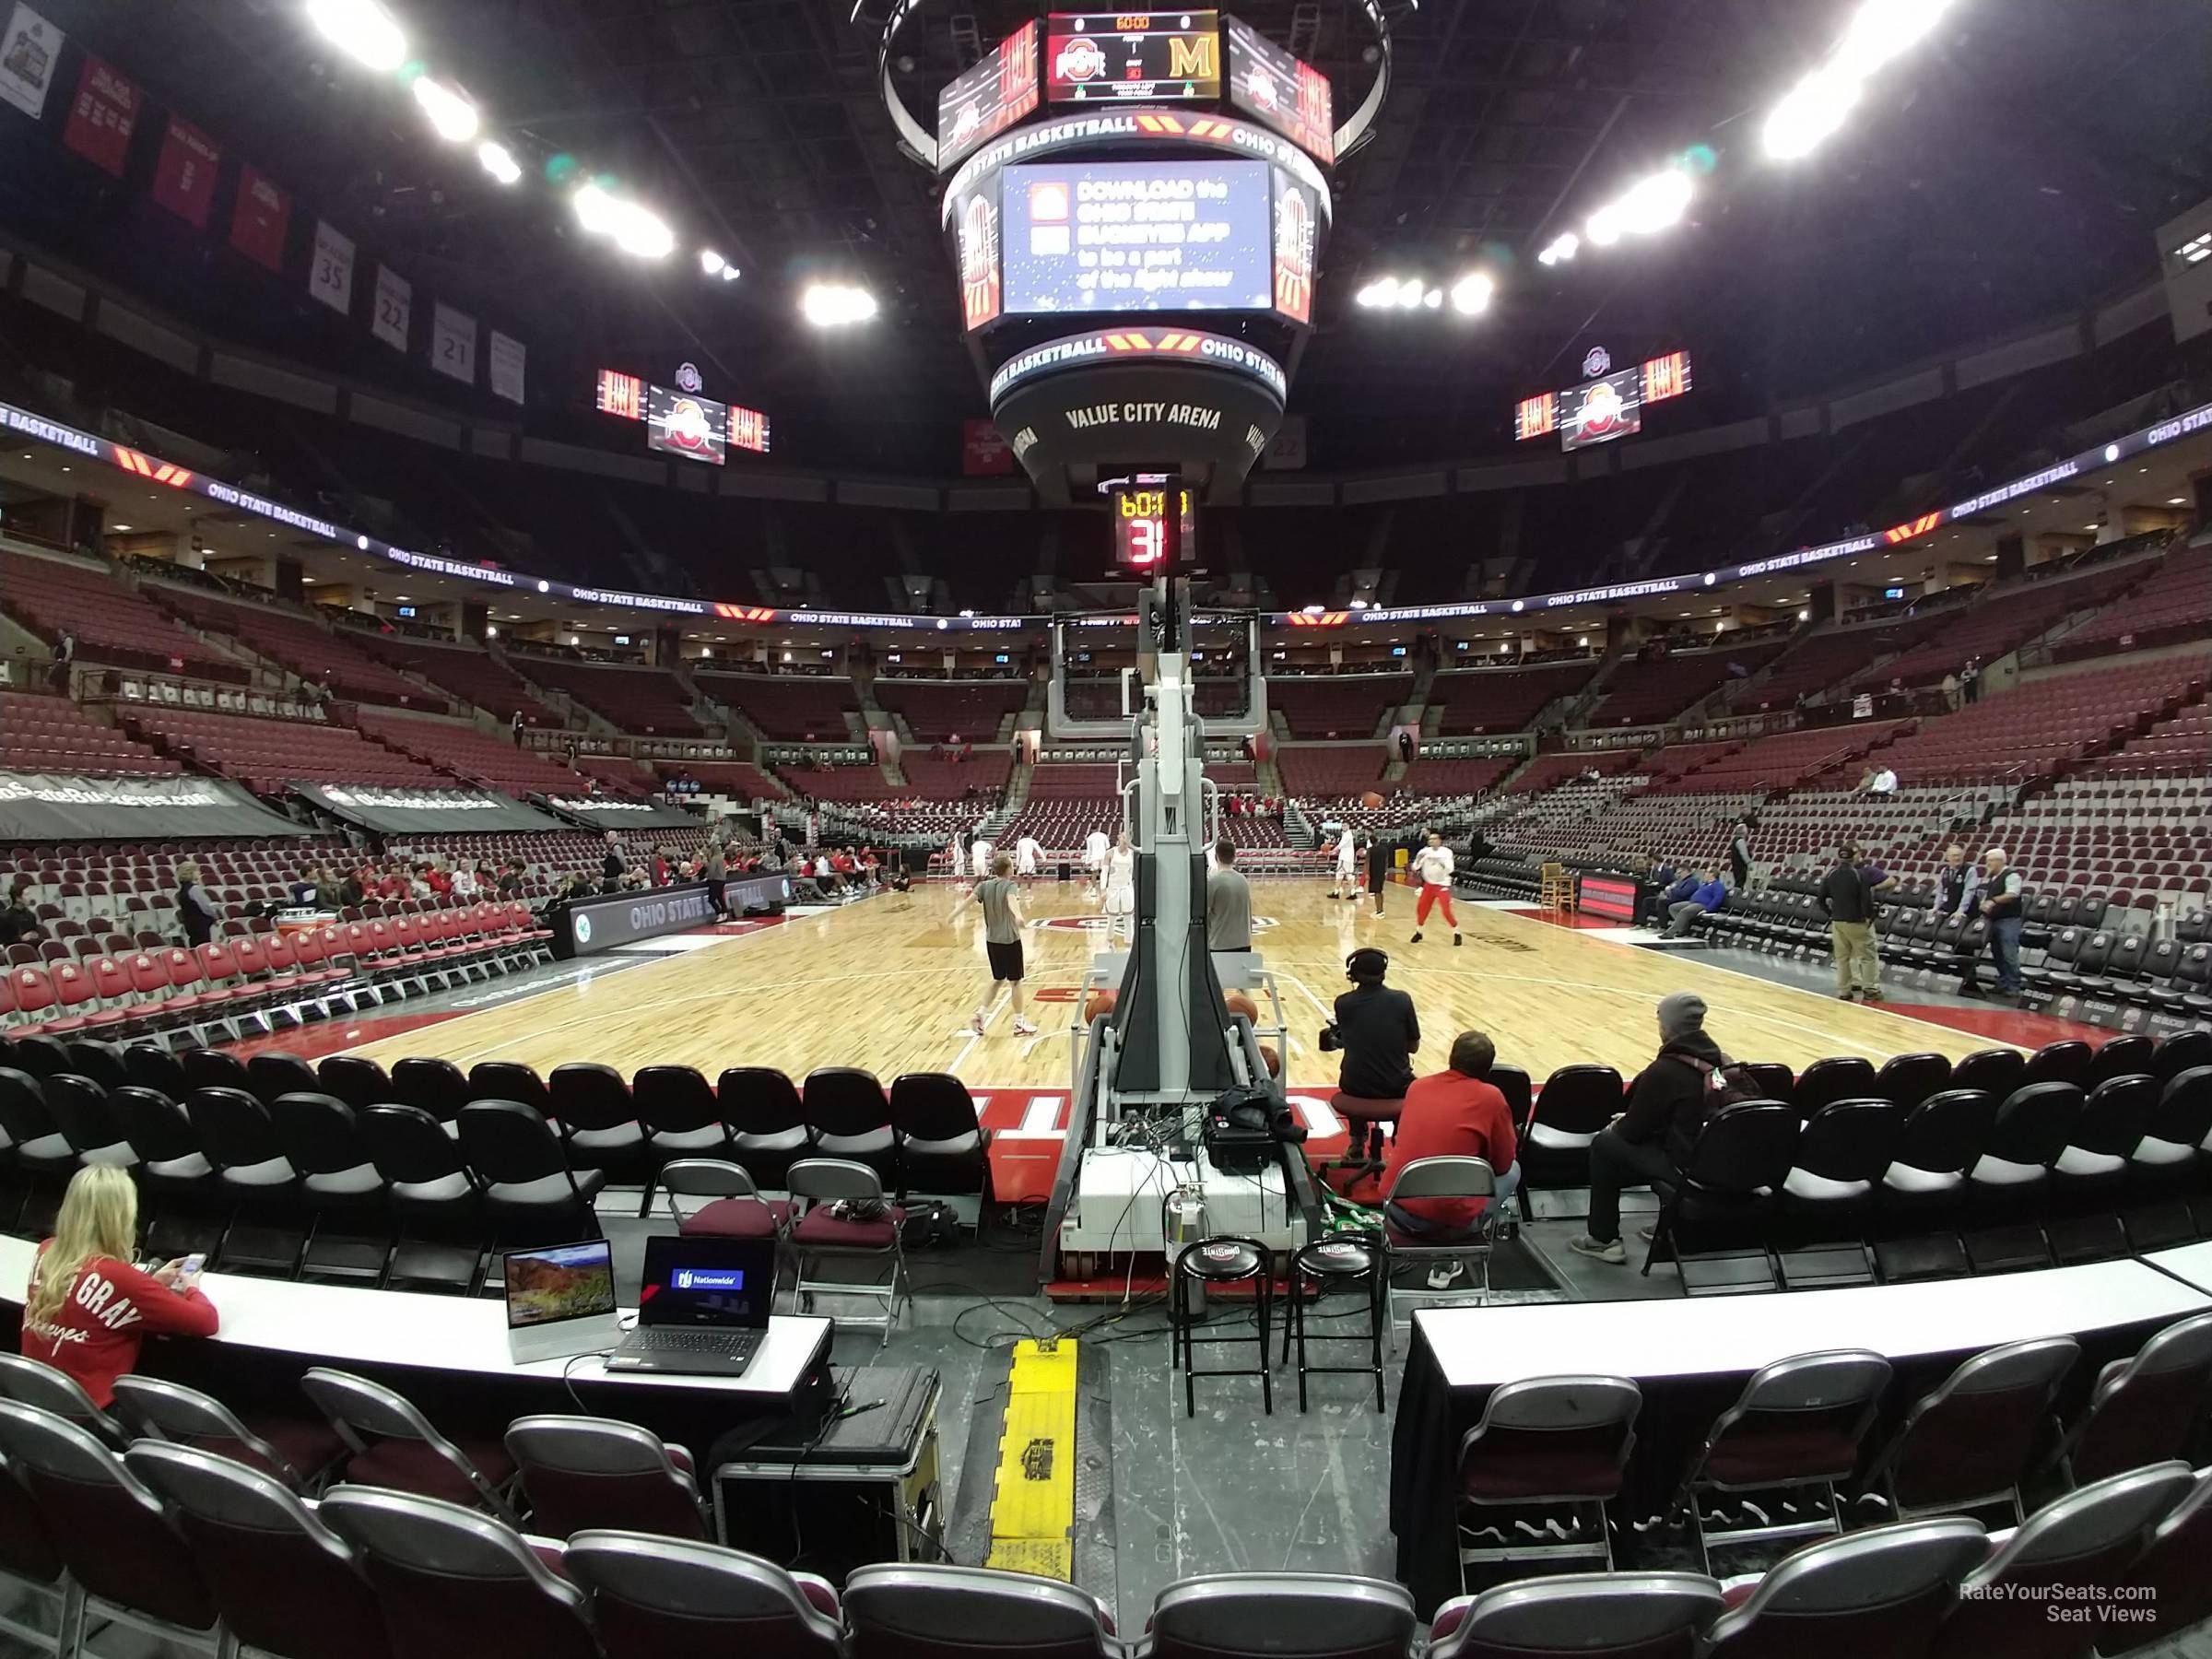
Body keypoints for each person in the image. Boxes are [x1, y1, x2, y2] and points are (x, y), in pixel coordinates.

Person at [21, 1167, 218, 1406]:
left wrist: (150, 1285)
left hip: (32, 1400)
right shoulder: (122, 1278)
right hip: (90, 1416)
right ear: (121, 1217)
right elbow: (206, 1321)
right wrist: (191, 1287)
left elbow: (81, 1299)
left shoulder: (46, 1250)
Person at [1569, 994, 1726, 1265]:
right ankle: (1671, 1225)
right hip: (1716, 1160)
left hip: (1687, 1167)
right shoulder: (1720, 1060)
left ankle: (1603, 1239)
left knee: (1605, 1144)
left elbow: (1631, 1132)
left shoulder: (1666, 1069)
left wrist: (1621, 1120)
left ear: (1666, 1026)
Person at [1380, 1031, 1521, 1288]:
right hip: (1450, 1224)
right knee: (1513, 1171)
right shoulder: (1491, 1097)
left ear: (1451, 1058)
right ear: (1488, 1068)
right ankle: (1450, 1257)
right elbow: (1502, 1164)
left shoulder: (1417, 1087)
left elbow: (1399, 1140)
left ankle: (1445, 1256)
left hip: (1397, 1212)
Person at [1324, 947, 1419, 1164]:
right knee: (1411, 1087)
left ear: (1353, 974)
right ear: (1384, 972)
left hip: (1355, 1087)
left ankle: (1356, 1143)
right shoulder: (1402, 1000)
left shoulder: (1343, 1003)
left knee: (1359, 1072)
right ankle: (1401, 1145)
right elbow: (1413, 1047)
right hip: (1395, 1087)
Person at [957, 853, 1036, 1036]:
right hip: (1009, 939)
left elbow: (967, 902)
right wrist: (1018, 915)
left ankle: (980, 1013)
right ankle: (1019, 1023)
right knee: (1015, 981)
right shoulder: (1010, 886)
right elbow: (1011, 902)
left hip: (992, 940)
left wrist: (954, 915)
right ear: (1008, 869)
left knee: (998, 978)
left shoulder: (984, 886)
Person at [1819, 843, 1885, 1003]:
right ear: (1853, 857)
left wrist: (1831, 915)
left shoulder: (1831, 874)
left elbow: (1820, 900)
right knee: (1868, 956)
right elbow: (1866, 899)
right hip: (1856, 920)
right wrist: (1868, 917)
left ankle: (1844, 991)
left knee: (1842, 958)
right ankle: (1870, 989)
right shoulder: (1859, 874)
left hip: (1837, 921)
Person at [1966, 846, 2027, 1000]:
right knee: (1997, 953)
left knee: (2009, 953)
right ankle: (2003, 982)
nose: (1988, 864)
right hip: (1993, 920)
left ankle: (2013, 985)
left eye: (1991, 860)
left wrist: (1992, 901)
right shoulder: (1993, 877)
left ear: (2000, 860)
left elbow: (2012, 894)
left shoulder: (2012, 876)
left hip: (2009, 920)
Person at [1409, 830, 1460, 947]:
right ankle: (1419, 932)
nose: (1431, 841)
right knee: (1421, 909)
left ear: (1439, 840)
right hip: (1429, 884)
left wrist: (1435, 859)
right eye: (1430, 839)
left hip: (1442, 884)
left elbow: (1449, 869)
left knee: (1446, 910)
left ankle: (1456, 932)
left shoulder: (1446, 852)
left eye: (1434, 839)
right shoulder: (1424, 852)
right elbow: (1415, 867)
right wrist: (1418, 860)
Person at [1206, 839, 1252, 954]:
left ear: (1216, 857)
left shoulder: (1213, 882)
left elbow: (1203, 913)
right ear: (1234, 857)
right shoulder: (1243, 880)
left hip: (1221, 944)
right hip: (1244, 943)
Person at [1664, 868, 1726, 939]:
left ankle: (1670, 933)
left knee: (1685, 911)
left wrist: (1708, 909)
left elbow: (1717, 899)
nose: (1705, 873)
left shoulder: (1718, 886)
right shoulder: (1704, 884)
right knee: (1673, 907)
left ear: (1712, 874)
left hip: (1702, 905)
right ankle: (1683, 928)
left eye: (1707, 872)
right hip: (1692, 902)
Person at [1101, 830, 1135, 942]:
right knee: (1112, 920)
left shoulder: (1132, 853)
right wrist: (1103, 890)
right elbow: (1104, 873)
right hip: (1113, 889)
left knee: (1128, 920)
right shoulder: (1110, 853)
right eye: (1124, 837)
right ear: (1119, 837)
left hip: (1127, 888)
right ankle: (1110, 943)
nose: (1126, 840)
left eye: (1128, 838)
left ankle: (1128, 947)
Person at [175, 860, 219, 947]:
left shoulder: (182, 891)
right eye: (197, 870)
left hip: (190, 924)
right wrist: (215, 917)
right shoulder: (194, 889)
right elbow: (206, 907)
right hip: (201, 924)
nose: (199, 872)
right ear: (191, 872)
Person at [1329, 825, 1358, 900]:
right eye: (1343, 826)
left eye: (1345, 826)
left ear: (1348, 826)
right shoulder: (1347, 834)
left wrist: (1332, 851)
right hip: (1348, 858)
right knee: (1347, 875)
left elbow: (1340, 846)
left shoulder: (1347, 835)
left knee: (1340, 875)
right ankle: (1352, 893)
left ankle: (1337, 893)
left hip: (1345, 859)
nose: (1343, 827)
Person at [1727, 819, 1753, 891]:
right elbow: (1744, 854)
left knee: (1739, 881)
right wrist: (1749, 863)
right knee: (1740, 882)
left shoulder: (1734, 840)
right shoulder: (1740, 841)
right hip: (1740, 866)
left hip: (1736, 864)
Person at [1084, 827, 1110, 893]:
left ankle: (1093, 888)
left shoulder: (1089, 838)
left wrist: (1087, 861)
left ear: (1091, 830)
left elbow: (1089, 850)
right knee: (1104, 872)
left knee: (1094, 872)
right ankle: (1105, 887)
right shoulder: (1104, 835)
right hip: (1103, 856)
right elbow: (1108, 846)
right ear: (1098, 829)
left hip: (1094, 857)